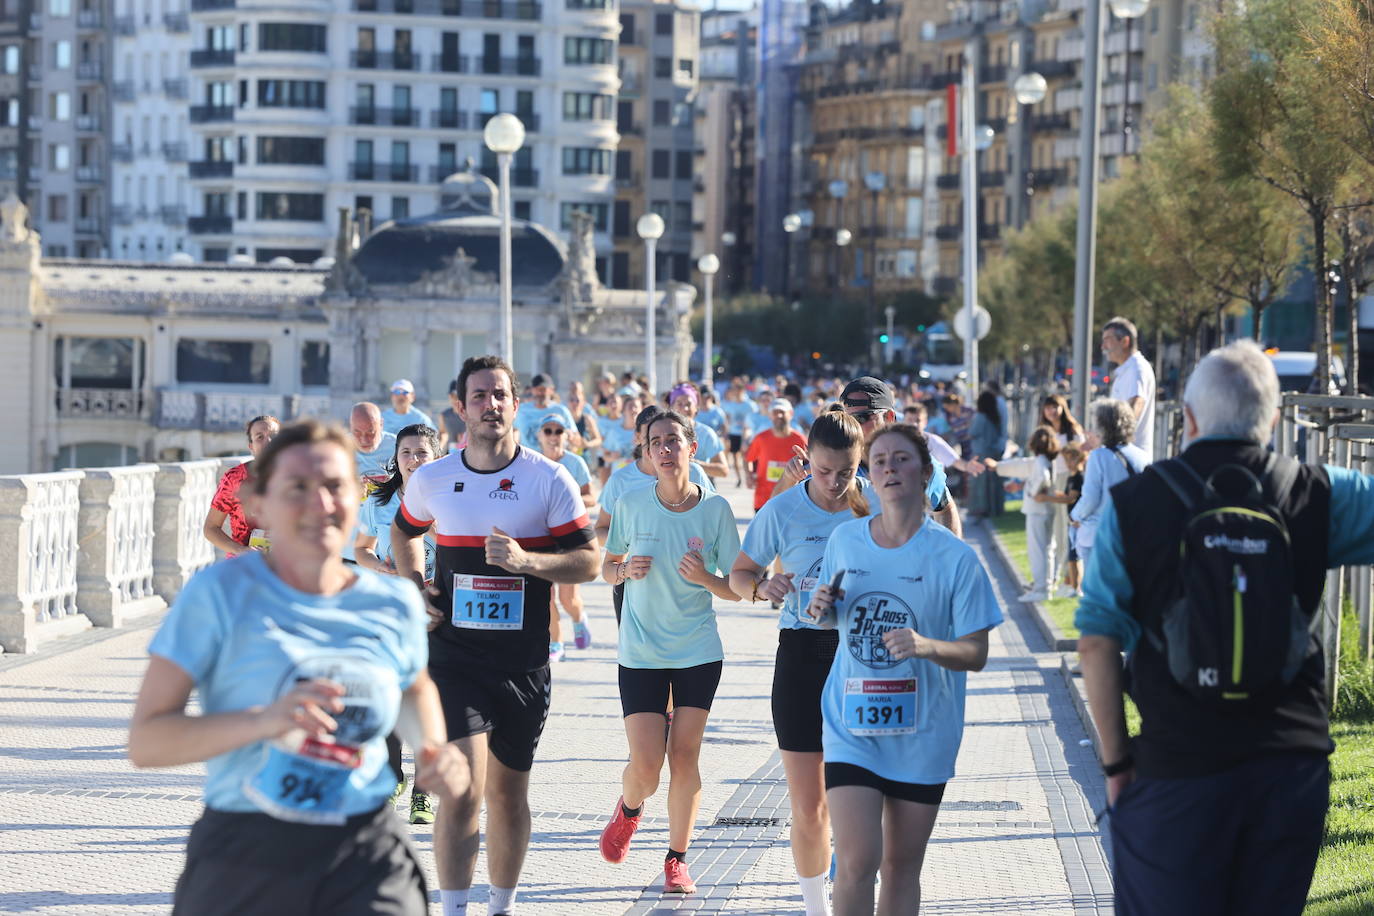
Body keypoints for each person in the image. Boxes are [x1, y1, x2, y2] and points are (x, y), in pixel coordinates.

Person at [1075, 340, 1374, 916]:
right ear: (1274, 418)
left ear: (1186, 418)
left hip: (1178, 768)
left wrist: (1116, 765)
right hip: (1291, 769)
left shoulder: (1134, 503)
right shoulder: (1315, 492)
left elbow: (1096, 641)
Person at [128, 420, 469, 916]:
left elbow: (414, 688)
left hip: (365, 849)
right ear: (259, 505)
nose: (320, 503)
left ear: (357, 498)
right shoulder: (218, 594)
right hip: (247, 847)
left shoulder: (392, 601)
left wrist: (435, 750)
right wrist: (266, 722)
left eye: (335, 486)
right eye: (297, 489)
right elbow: (147, 742)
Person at [390, 356, 599, 916]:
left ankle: (500, 907)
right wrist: (414, 585)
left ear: (517, 403)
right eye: (479, 396)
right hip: (454, 658)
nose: (491, 405)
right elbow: (404, 530)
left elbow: (588, 562)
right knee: (461, 790)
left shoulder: (546, 478)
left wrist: (529, 560)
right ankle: (454, 909)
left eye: (500, 395)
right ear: (460, 407)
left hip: (523, 661)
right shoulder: (434, 478)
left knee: (508, 798)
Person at [805, 424, 1002, 916]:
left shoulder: (956, 558)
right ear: (869, 477)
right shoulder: (846, 541)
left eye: (902, 459)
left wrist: (925, 646)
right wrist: (821, 608)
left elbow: (976, 653)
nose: (890, 468)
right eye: (879, 462)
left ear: (927, 471)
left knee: (900, 867)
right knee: (856, 860)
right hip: (853, 724)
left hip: (924, 731)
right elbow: (829, 613)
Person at [728, 410, 871, 916]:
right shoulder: (782, 510)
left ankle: (854, 895)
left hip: (861, 661)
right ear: (808, 458)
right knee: (810, 807)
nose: (834, 484)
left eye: (846, 472)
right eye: (824, 470)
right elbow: (741, 574)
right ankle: (817, 907)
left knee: (855, 804)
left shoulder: (875, 505)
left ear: (861, 463)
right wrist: (762, 586)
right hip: (803, 658)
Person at [598, 410, 741, 896]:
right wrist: (623, 573)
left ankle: (677, 859)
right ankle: (629, 809)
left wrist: (707, 578)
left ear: (691, 448)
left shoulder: (716, 510)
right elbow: (607, 566)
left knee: (684, 756)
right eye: (654, 442)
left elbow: (735, 588)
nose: (664, 449)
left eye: (673, 441)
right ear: (645, 451)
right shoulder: (631, 503)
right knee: (646, 768)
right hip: (640, 650)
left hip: (698, 648)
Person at [355, 424, 443, 825]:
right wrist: (384, 571)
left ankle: (424, 792)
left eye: (422, 452)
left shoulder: (450, 500)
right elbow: (361, 550)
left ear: (435, 457)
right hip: (390, 611)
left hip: (438, 612)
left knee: (431, 702)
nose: (413, 459)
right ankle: (393, 777)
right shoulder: (379, 501)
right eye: (406, 452)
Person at [595, 405, 717, 624]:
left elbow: (713, 521)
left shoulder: (694, 472)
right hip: (635, 575)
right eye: (652, 439)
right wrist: (631, 541)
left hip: (683, 576)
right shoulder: (621, 480)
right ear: (639, 440)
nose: (661, 447)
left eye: (669, 439)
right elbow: (601, 529)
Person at [536, 411, 596, 660]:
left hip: (571, 535)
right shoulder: (533, 462)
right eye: (548, 431)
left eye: (558, 431)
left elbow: (592, 497)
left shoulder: (575, 463)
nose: (553, 436)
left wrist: (565, 501)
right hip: (543, 536)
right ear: (539, 436)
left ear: (567, 435)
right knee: (546, 596)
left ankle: (579, 618)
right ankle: (556, 642)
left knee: (568, 598)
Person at [1070, 399, 1148, 573]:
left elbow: (1090, 499)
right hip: (1133, 535)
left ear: (1103, 426)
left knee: (1098, 594)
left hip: (1101, 535)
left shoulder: (1099, 456)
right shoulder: (1143, 456)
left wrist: (1075, 515)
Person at [992, 426, 1062, 602]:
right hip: (1047, 509)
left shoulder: (1039, 461)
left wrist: (1032, 492)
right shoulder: (1049, 459)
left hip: (1037, 510)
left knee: (1038, 550)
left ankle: (1041, 588)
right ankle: (1046, 585)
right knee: (1047, 549)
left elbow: (1043, 478)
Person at [203, 414, 280, 556]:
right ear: (251, 446)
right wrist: (241, 551)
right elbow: (211, 528)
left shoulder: (297, 477)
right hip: (244, 568)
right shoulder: (235, 479)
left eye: (273, 436)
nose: (268, 441)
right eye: (260, 437)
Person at [347, 403, 398, 564]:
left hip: (386, 548)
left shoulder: (398, 448)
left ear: (381, 424)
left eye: (371, 432)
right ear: (350, 427)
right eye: (357, 432)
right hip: (349, 547)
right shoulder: (340, 449)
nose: (364, 439)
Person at [1102, 316, 1156, 460]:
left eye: (1107, 339)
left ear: (1125, 341)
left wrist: (1109, 440)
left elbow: (1136, 404)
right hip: (1123, 457)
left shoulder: (1137, 369)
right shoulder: (1128, 370)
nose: (1103, 347)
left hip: (1130, 460)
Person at [745, 398, 809, 511]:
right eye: (775, 412)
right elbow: (748, 458)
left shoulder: (800, 439)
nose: (779, 416)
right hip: (763, 499)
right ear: (770, 415)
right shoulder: (761, 438)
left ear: (790, 414)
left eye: (782, 412)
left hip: (790, 500)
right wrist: (749, 475)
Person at [669, 381, 729, 479]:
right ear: (672, 407)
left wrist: (695, 464)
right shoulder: (662, 431)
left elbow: (723, 470)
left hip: (700, 490)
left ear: (696, 408)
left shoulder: (706, 433)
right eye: (679, 403)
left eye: (689, 404)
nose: (685, 408)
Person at [967, 392, 1008, 520]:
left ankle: (981, 509)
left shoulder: (980, 417)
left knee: (981, 484)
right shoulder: (995, 417)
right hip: (993, 452)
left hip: (981, 453)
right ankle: (995, 508)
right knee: (994, 483)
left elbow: (972, 433)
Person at [513, 373, 580, 451]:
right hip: (528, 459)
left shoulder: (561, 410)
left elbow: (577, 438)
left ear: (552, 390)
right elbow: (511, 431)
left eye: (543, 389)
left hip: (554, 460)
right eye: (537, 389)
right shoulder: (521, 410)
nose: (540, 393)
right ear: (532, 390)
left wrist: (569, 435)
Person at [1056, 443, 1087, 597]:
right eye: (1066, 460)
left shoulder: (1079, 478)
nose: (1068, 463)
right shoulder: (1071, 477)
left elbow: (1071, 498)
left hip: (1078, 522)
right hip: (1071, 522)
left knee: (1076, 557)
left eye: (1071, 459)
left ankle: (1078, 588)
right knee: (1071, 557)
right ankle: (1074, 587)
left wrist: (1048, 497)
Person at [721, 381, 760, 485]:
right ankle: (739, 478)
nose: (736, 392)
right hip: (734, 433)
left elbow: (756, 417)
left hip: (747, 434)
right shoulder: (730, 405)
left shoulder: (750, 405)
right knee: (734, 457)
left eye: (738, 390)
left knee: (746, 456)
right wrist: (726, 428)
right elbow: (726, 419)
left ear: (743, 391)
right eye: (734, 390)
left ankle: (748, 474)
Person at [438, 380, 467, 454]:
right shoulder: (444, 415)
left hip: (468, 453)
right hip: (450, 453)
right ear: (449, 396)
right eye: (452, 396)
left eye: (458, 396)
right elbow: (443, 434)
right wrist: (439, 450)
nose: (455, 399)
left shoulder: (471, 415)